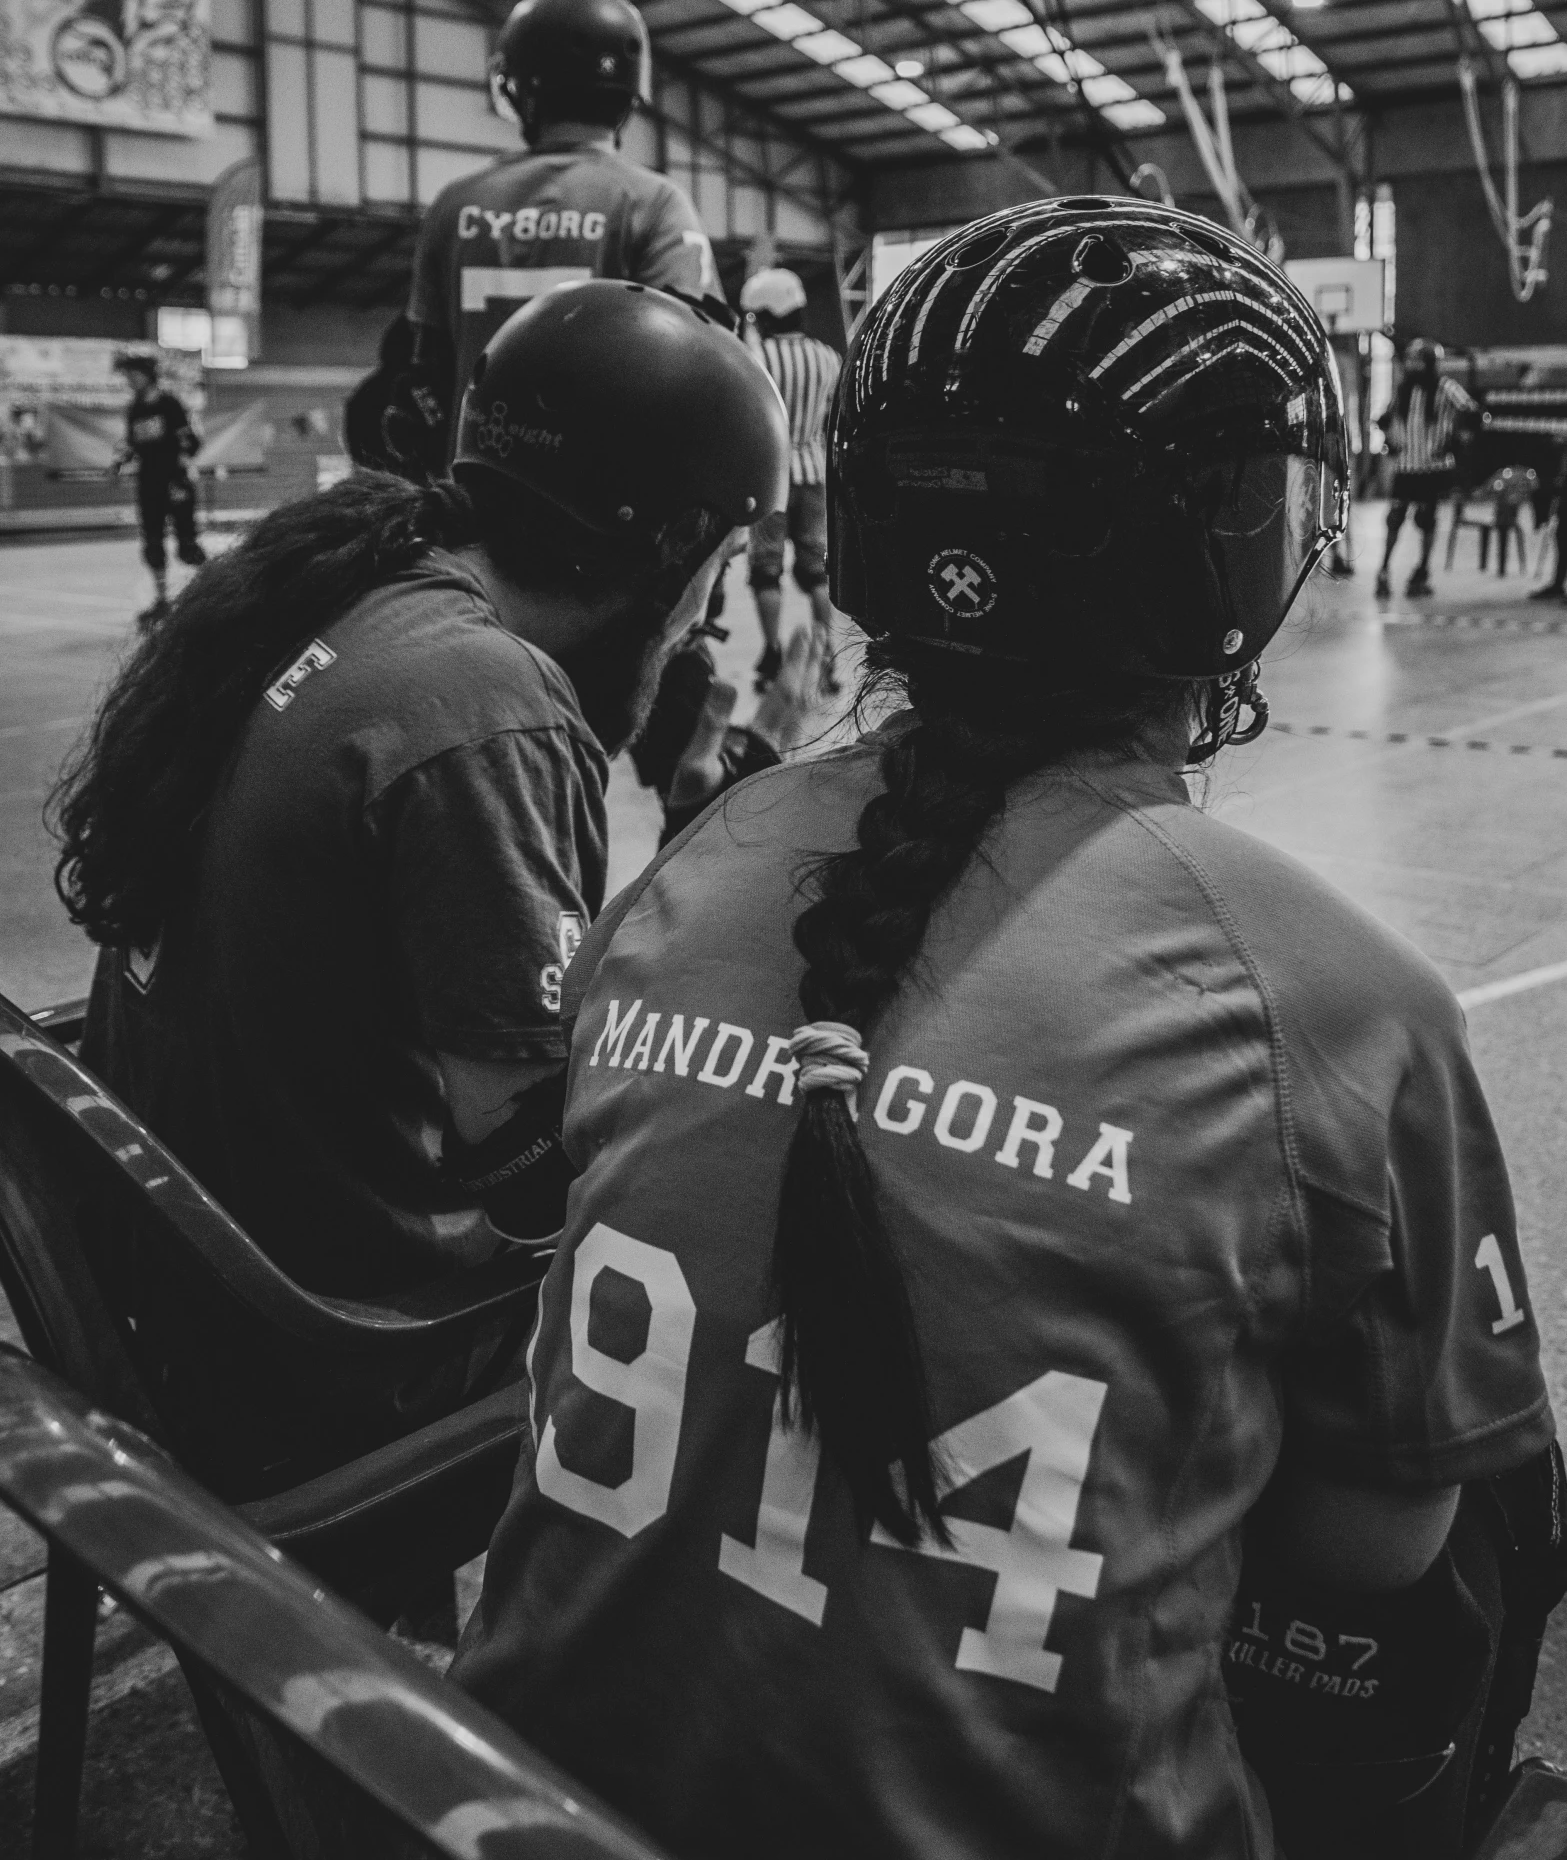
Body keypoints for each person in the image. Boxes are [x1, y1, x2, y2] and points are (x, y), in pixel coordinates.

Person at [452, 201, 1557, 1860]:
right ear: (1243, 546)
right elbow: (1373, 1556)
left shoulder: (691, 868)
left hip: (501, 1799)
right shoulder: (1332, 999)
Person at [52, 284, 794, 1474]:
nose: (712, 613)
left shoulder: (357, 587)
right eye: (726, 556)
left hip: (177, 1289)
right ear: (670, 542)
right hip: (332, 1354)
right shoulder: (488, 708)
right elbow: (533, 1180)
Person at [385, 0, 725, 474]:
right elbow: (694, 368)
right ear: (630, 95)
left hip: (472, 498)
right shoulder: (655, 203)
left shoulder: (454, 205)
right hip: (600, 506)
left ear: (523, 86)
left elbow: (425, 377)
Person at [741, 264, 842, 694]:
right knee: (815, 572)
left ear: (765, 314)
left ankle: (773, 654)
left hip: (771, 479)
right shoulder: (828, 357)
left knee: (767, 572)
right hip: (815, 475)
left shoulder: (757, 358)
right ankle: (827, 657)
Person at [1375, 338, 1477, 601]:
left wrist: (1455, 440)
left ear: (1429, 363)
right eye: (1410, 359)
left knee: (1426, 520)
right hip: (1406, 465)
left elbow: (1473, 413)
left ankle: (1422, 571)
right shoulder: (1402, 390)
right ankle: (1384, 571)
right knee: (1395, 519)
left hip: (1433, 466)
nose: (1412, 365)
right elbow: (1385, 418)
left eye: (1417, 360)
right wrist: (1390, 438)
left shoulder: (1445, 387)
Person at [114, 350, 205, 623]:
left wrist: (180, 473)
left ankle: (215, 588)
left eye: (133, 375)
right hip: (149, 482)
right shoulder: (135, 409)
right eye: (127, 376)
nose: (129, 381)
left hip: (174, 481)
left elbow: (191, 443)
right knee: (153, 543)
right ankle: (163, 601)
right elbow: (133, 445)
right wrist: (119, 462)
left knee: (187, 547)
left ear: (148, 376)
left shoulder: (169, 404)